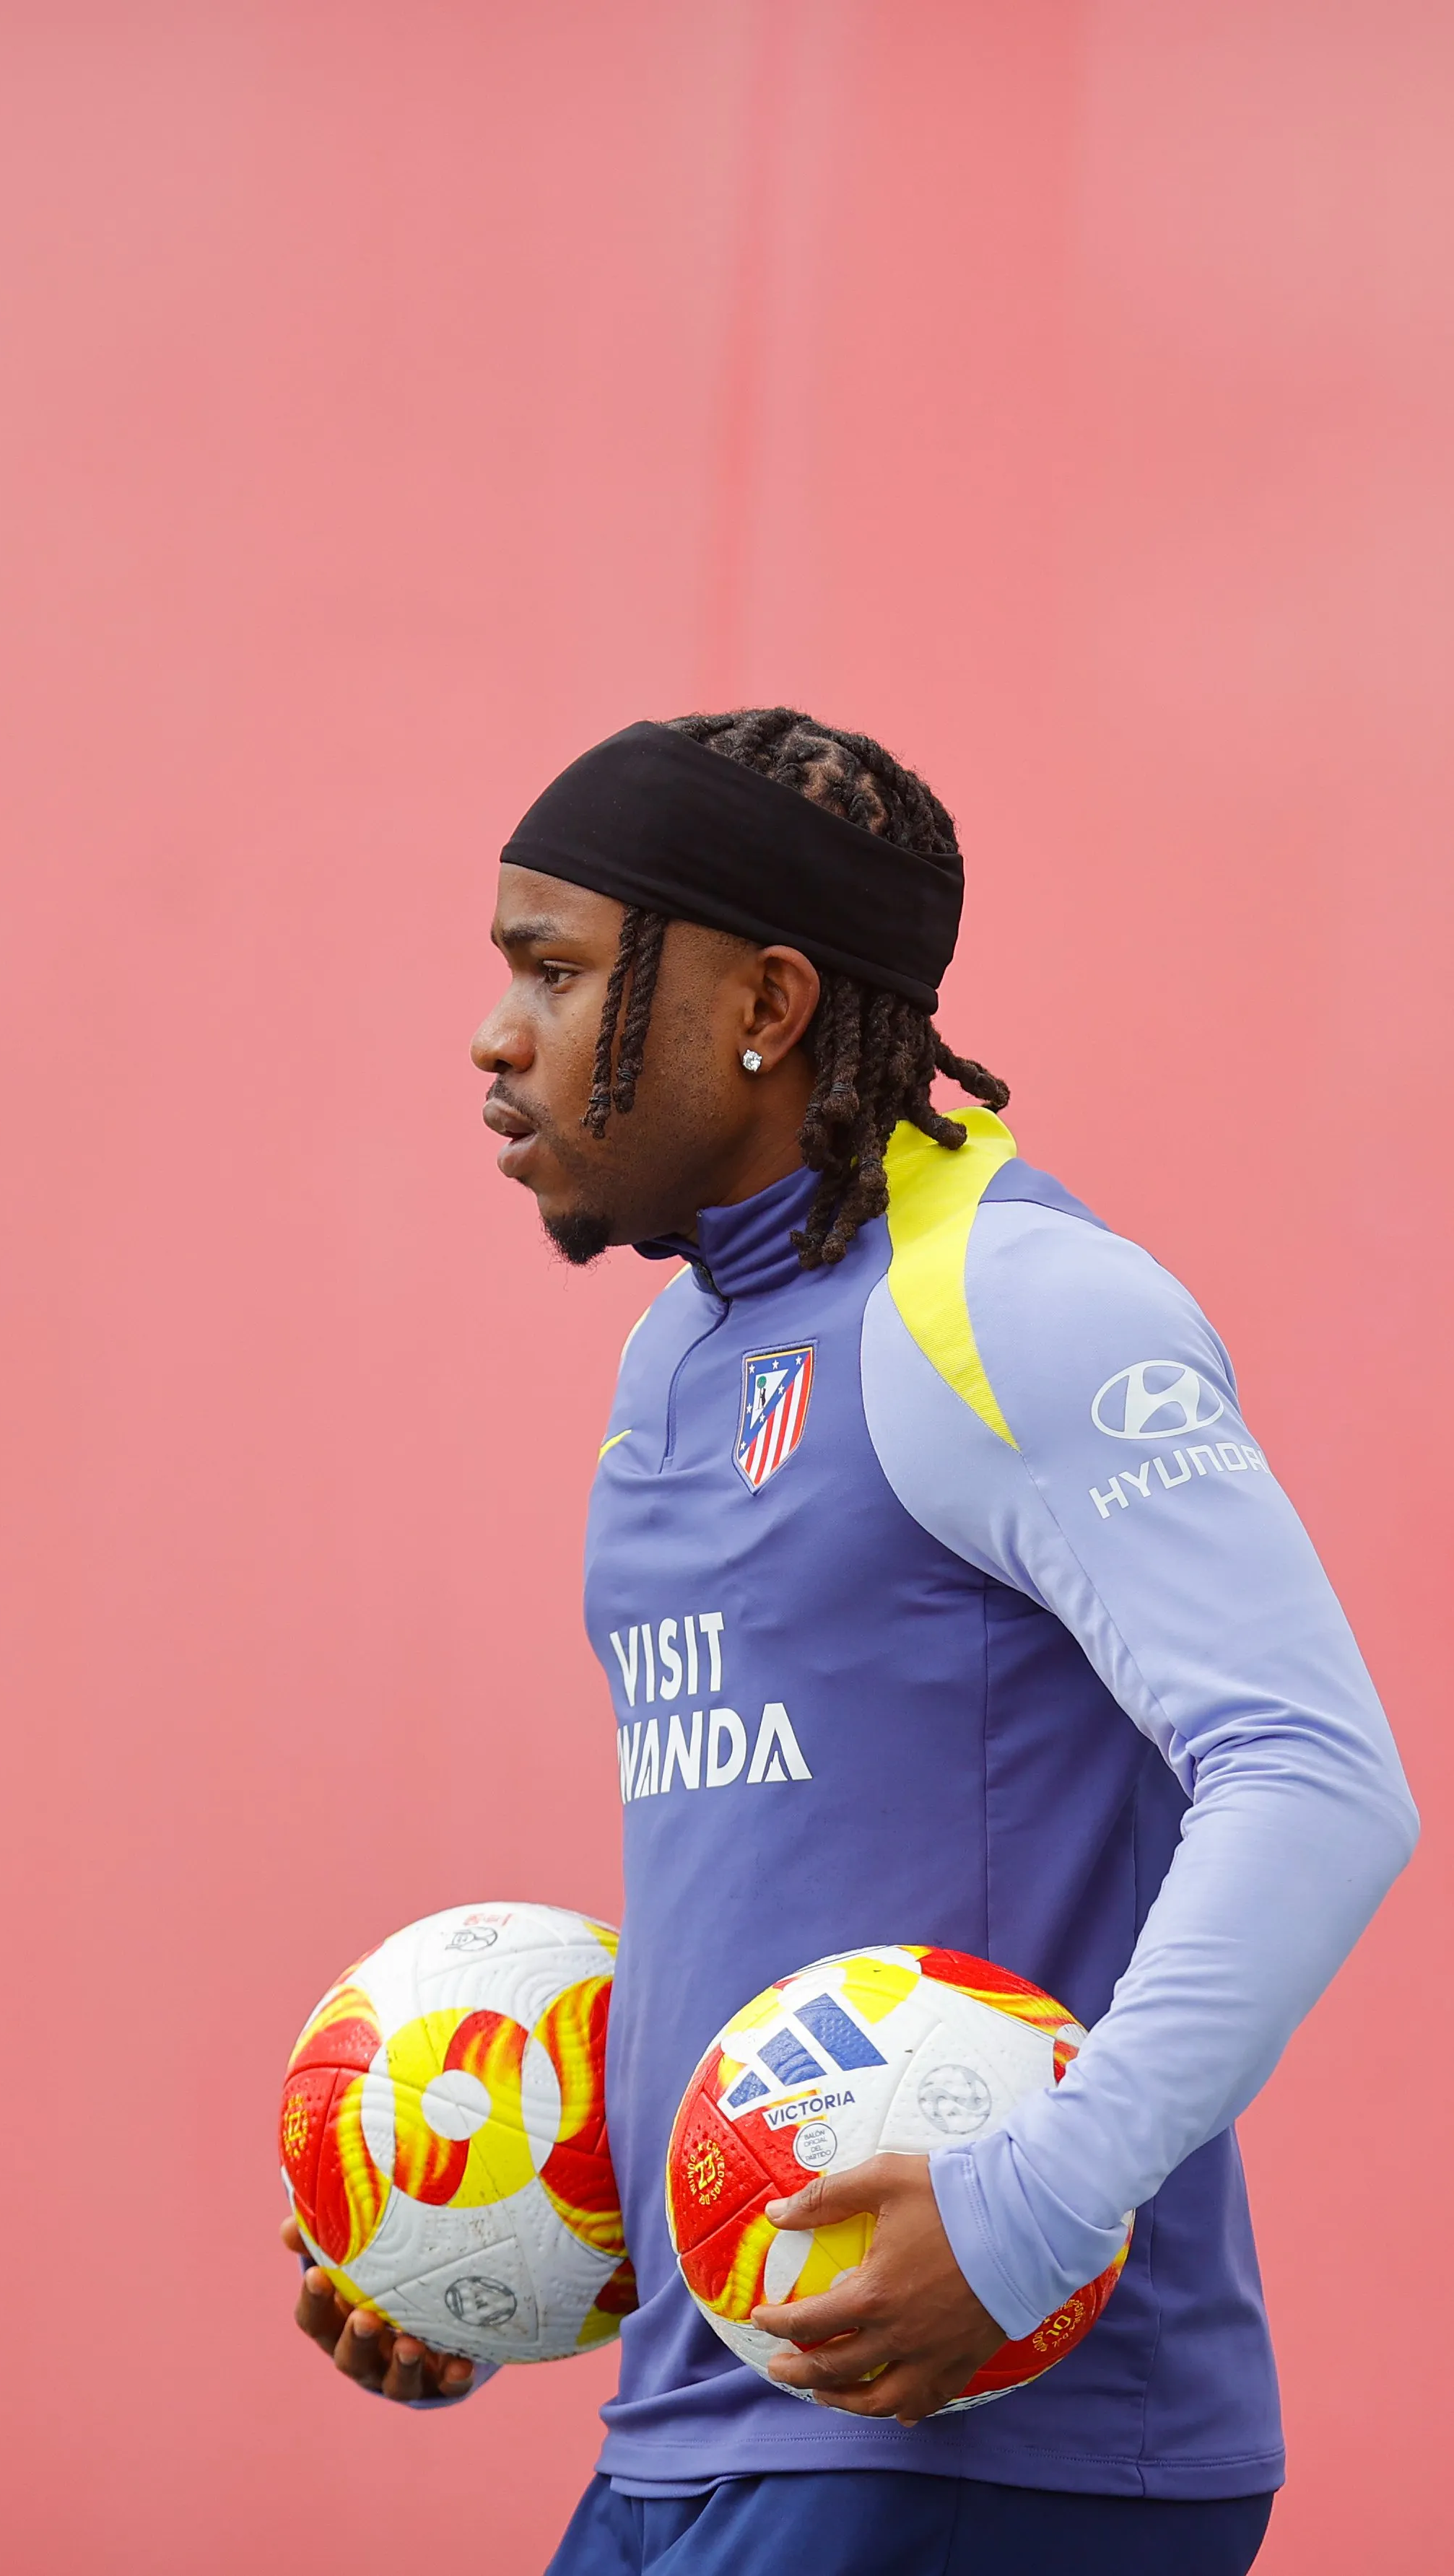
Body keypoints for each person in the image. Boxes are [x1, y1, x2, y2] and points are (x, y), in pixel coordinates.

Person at [284, 709, 1418, 2575]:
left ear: (766, 1003)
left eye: (554, 972)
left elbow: (1316, 1780)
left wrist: (1035, 2211)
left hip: (990, 2453)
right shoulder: (673, 1361)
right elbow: (789, 1875)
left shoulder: (1015, 1306)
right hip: (698, 2426)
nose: (496, 1036)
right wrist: (486, 2240)